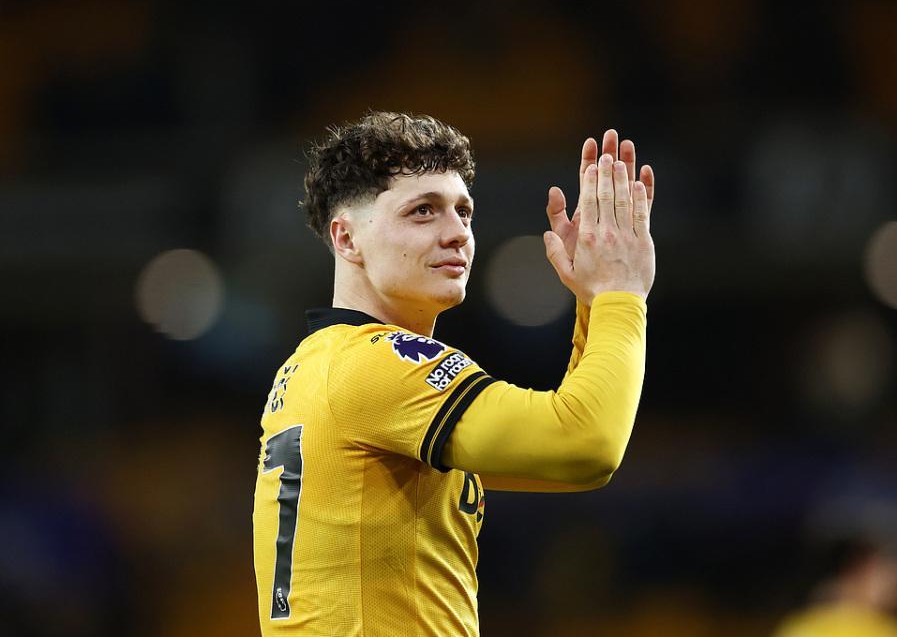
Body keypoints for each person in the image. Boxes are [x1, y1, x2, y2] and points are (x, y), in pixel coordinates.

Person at [252, 111, 656, 636]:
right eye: (423, 211)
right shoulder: (377, 363)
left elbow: (570, 464)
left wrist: (593, 304)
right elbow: (585, 444)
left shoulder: (316, 365)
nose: (458, 234)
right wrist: (621, 293)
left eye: (463, 212)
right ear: (347, 239)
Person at [772, 534, 897, 637]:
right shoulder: (805, 628)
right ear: (857, 571)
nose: (896, 590)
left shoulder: (893, 630)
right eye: (888, 579)